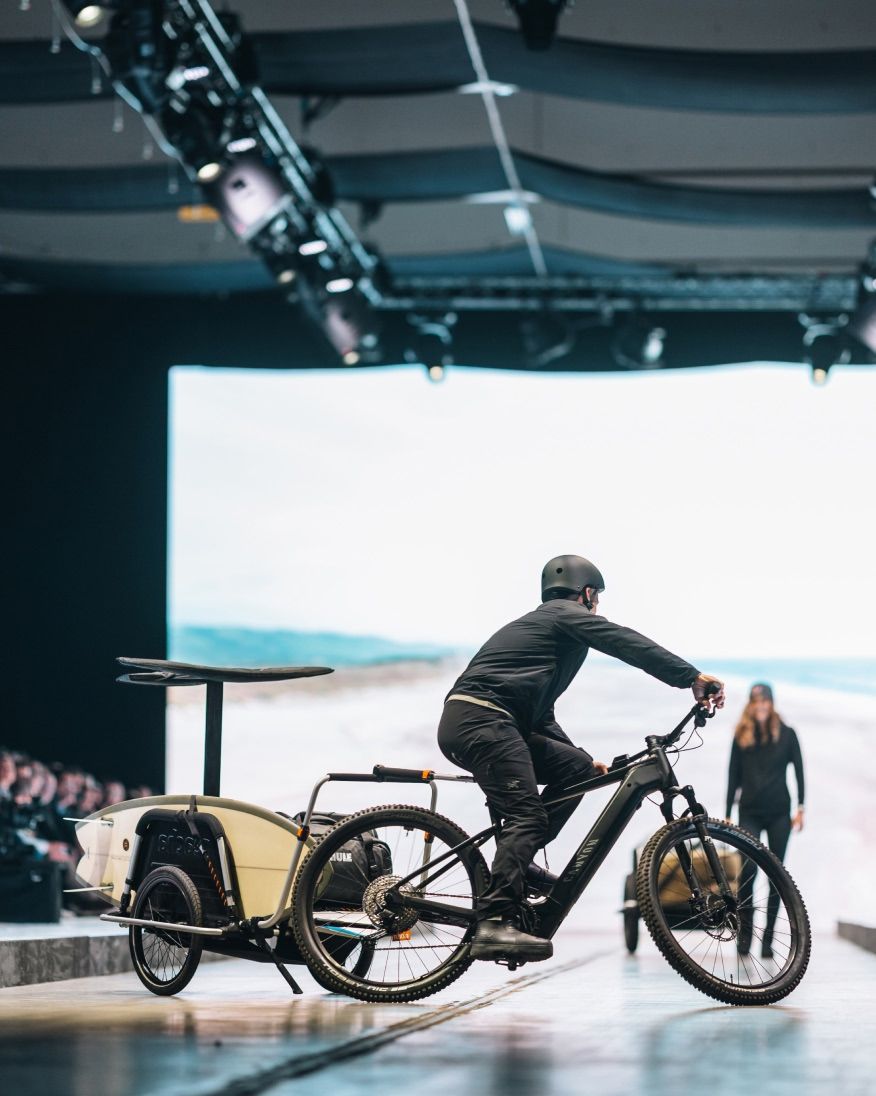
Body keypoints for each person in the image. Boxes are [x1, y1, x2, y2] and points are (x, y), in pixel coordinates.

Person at [437, 554, 725, 962]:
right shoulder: (563, 615)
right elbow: (624, 641)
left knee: (575, 770)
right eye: (598, 599)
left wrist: (583, 760)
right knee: (528, 818)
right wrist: (690, 677)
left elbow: (541, 718)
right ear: (587, 593)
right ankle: (494, 923)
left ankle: (519, 867)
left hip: (483, 720)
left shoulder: (544, 633)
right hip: (483, 722)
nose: (598, 607)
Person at [726, 682, 805, 959]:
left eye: (765, 702)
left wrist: (801, 807)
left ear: (771, 703)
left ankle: (768, 940)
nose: (760, 706)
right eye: (756, 702)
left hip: (779, 813)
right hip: (748, 811)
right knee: (747, 873)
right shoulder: (742, 734)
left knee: (776, 876)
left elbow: (799, 771)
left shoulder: (787, 734)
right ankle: (745, 937)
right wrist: (727, 813)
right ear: (750, 704)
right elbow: (732, 775)